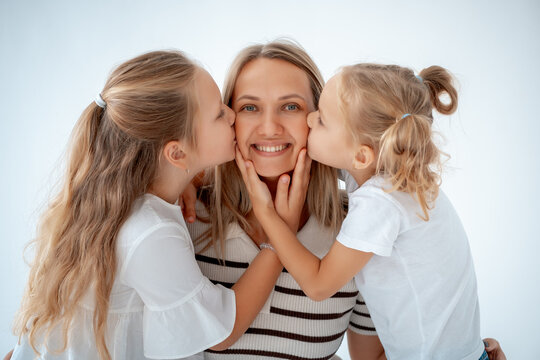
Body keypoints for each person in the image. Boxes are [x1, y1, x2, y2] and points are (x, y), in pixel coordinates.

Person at [9, 50, 282, 360]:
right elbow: (221, 332)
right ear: (176, 154)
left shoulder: (132, 201)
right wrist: (277, 240)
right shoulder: (151, 232)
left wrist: (188, 180)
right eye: (219, 114)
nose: (232, 115)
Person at [236, 63, 490, 359]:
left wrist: (268, 214)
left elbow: (319, 285)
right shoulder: (390, 179)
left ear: (361, 155)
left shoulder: (380, 203)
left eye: (322, 121)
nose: (309, 118)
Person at [185, 40, 384, 360]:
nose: (269, 128)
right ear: (228, 117)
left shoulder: (359, 224)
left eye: (290, 106)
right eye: (250, 107)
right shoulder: (189, 213)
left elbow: (370, 356)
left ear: (321, 118)